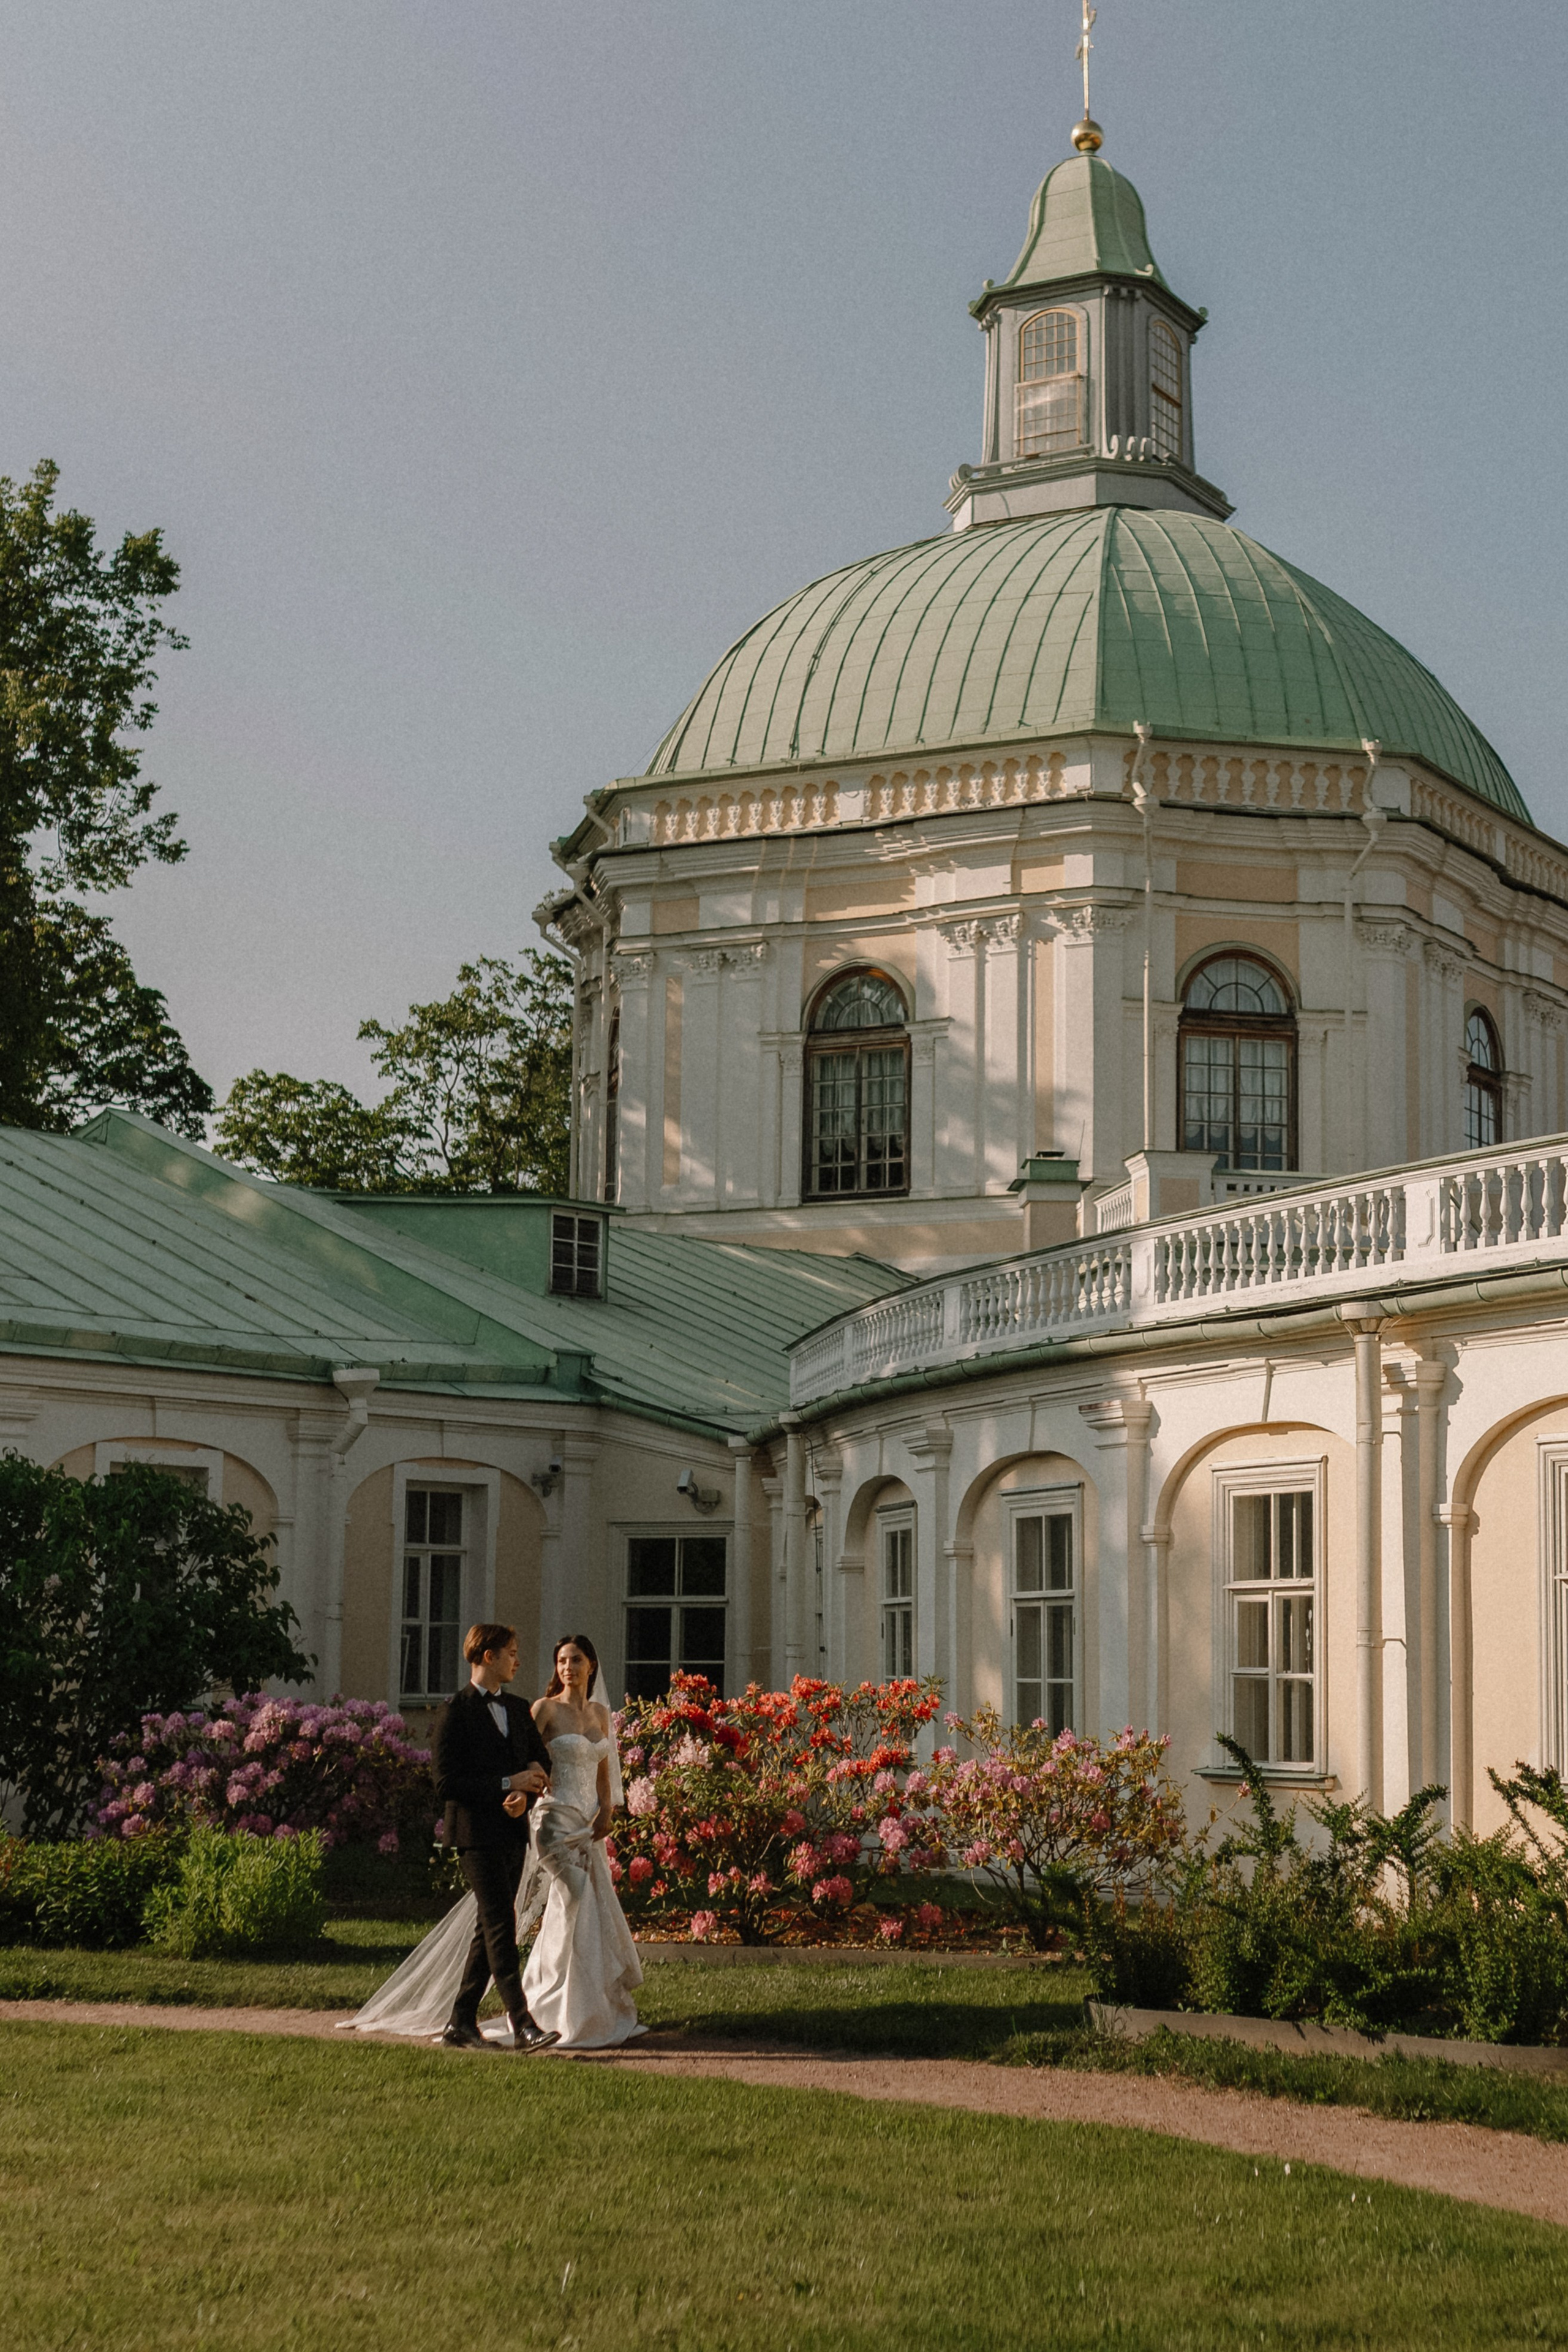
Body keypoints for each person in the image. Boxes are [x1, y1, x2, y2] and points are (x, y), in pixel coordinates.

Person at [430, 1621, 558, 2052]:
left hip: (512, 1832)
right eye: (511, 1652)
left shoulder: (520, 1708)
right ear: (488, 1657)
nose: (518, 1661)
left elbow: (541, 1763)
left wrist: (526, 1792)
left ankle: (460, 2022)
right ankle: (523, 2024)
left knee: (489, 1927)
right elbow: (446, 1784)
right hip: (474, 1835)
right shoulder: (455, 1711)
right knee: (503, 1924)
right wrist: (507, 1783)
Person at [522, 1633, 644, 2049]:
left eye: (575, 1660)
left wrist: (608, 1811)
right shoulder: (545, 1709)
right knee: (573, 1897)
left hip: (590, 1823)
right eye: (561, 1661)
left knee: (586, 1906)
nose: (567, 1667)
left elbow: (604, 1768)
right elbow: (523, 1756)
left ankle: (588, 2007)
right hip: (555, 1818)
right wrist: (534, 1784)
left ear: (591, 1665)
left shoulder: (599, 1714)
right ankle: (550, 2000)